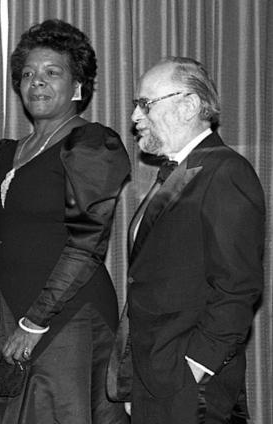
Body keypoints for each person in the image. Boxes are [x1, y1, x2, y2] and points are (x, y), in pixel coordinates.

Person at [0, 20, 130, 423]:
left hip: (70, 318)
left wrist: (36, 321)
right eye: (27, 74)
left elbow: (87, 244)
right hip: (12, 314)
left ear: (78, 86)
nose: (36, 82)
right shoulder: (1, 155)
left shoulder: (91, 144)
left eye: (51, 72)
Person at [106, 57, 264, 423]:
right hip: (155, 377)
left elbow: (238, 288)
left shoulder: (226, 172)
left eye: (145, 104)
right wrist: (136, 379)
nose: (134, 117)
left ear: (189, 105)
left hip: (193, 386)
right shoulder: (182, 170)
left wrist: (194, 368)